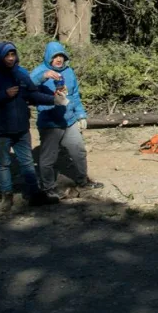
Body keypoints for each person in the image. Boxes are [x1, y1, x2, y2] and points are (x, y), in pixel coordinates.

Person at [0, 42, 64, 211]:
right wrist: (3, 94)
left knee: (27, 162)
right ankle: (6, 197)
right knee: (3, 163)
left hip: (21, 127)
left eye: (12, 55)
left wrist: (53, 99)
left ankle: (34, 195)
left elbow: (33, 94)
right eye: (6, 55)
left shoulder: (21, 73)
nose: (10, 58)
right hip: (0, 129)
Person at [30, 41, 103, 197]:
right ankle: (48, 188)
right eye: (55, 56)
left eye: (61, 56)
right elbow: (28, 87)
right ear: (49, 58)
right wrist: (43, 76)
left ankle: (83, 182)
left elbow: (75, 95)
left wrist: (81, 115)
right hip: (49, 122)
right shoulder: (40, 71)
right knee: (48, 158)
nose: (58, 59)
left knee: (79, 151)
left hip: (68, 120)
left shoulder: (69, 72)